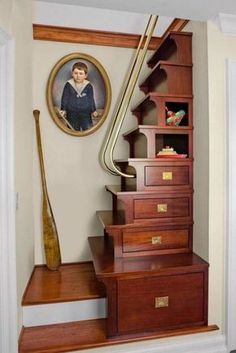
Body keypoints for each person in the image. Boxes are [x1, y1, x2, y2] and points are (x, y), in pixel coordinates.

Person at [60, 62, 98, 131]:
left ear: (85, 75)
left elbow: (91, 99)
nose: (78, 76)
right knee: (73, 130)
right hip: (72, 112)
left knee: (88, 129)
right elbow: (65, 98)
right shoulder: (68, 84)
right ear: (72, 74)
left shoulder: (88, 85)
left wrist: (93, 110)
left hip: (85, 113)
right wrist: (63, 109)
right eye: (76, 73)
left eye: (81, 73)